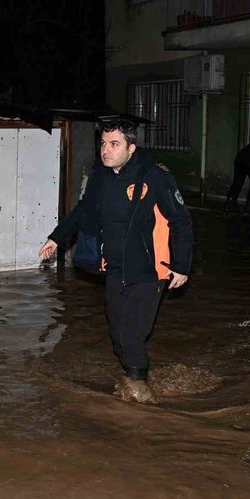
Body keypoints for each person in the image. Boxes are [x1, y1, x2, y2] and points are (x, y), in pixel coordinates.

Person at [38, 119, 194, 404]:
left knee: (132, 332)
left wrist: (181, 266)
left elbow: (181, 220)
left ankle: (140, 391)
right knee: (117, 331)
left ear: (131, 148)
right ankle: (134, 377)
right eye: (103, 144)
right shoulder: (100, 175)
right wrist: (57, 238)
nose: (105, 150)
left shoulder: (155, 175)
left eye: (114, 144)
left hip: (149, 270)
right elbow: (84, 210)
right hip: (113, 268)